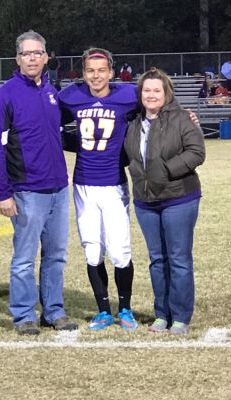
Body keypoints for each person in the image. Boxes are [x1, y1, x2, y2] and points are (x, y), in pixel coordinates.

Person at [0, 30, 78, 335]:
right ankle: (24, 314)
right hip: (27, 190)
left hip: (58, 188)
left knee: (56, 255)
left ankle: (53, 311)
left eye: (37, 53)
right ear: (17, 58)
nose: (32, 58)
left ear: (46, 57)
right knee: (24, 258)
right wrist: (3, 192)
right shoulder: (5, 95)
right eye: (26, 54)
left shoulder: (53, 93)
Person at [59, 48, 138, 331]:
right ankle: (103, 310)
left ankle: (125, 308)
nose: (96, 75)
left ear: (111, 72)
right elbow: (49, 120)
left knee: (120, 250)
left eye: (101, 70)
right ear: (83, 74)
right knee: (92, 250)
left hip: (114, 184)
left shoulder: (128, 95)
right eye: (90, 70)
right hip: (83, 185)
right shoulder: (71, 96)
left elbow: (158, 106)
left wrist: (184, 116)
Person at [124, 67, 205, 335]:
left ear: (166, 92)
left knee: (178, 259)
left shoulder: (182, 118)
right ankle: (162, 314)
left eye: (156, 90)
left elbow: (196, 152)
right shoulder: (133, 122)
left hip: (179, 197)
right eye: (146, 90)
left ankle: (180, 316)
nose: (151, 94)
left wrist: (166, 170)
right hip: (145, 201)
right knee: (157, 260)